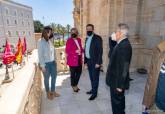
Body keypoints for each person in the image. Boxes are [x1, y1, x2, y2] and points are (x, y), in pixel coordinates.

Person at [106, 23, 132, 114]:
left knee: (118, 105)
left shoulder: (125, 46)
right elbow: (112, 54)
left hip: (117, 82)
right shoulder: (120, 43)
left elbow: (124, 67)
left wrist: (120, 85)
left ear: (120, 33)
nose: (113, 33)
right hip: (115, 80)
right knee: (117, 103)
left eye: (115, 31)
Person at [38, 26, 60, 100]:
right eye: (49, 32)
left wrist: (55, 61)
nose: (50, 33)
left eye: (51, 32)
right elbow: (40, 54)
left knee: (54, 77)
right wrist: (42, 66)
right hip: (46, 64)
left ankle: (53, 91)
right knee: (46, 79)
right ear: (45, 32)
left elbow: (53, 52)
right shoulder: (40, 41)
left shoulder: (50, 41)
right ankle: (48, 92)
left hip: (53, 63)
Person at [84, 24, 103, 100]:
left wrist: (98, 62)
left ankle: (94, 94)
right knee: (91, 77)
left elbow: (100, 51)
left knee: (95, 78)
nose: (88, 30)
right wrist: (85, 62)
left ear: (93, 30)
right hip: (89, 61)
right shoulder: (87, 38)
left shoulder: (97, 38)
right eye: (87, 29)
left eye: (90, 29)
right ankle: (93, 90)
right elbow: (86, 50)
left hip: (95, 62)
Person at [65, 28, 83, 92]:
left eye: (75, 32)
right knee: (73, 74)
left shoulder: (79, 40)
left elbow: (80, 48)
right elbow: (67, 51)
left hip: (79, 59)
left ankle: (75, 84)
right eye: (72, 32)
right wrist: (75, 51)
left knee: (79, 73)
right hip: (72, 60)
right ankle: (74, 85)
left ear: (77, 33)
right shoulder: (69, 40)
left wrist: (83, 50)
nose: (73, 33)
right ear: (70, 33)